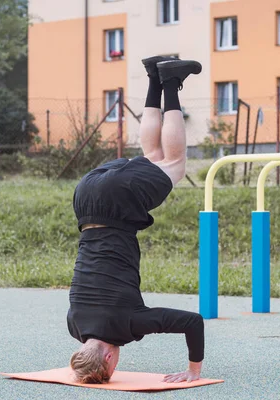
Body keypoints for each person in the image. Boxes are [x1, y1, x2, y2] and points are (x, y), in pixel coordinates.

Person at [67, 56, 204, 384]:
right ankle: (154, 76)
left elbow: (193, 322)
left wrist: (193, 371)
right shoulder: (75, 325)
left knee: (175, 163)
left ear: (110, 358)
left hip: (118, 205)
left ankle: (170, 82)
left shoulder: (127, 324)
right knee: (154, 157)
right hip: (86, 198)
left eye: (112, 368)